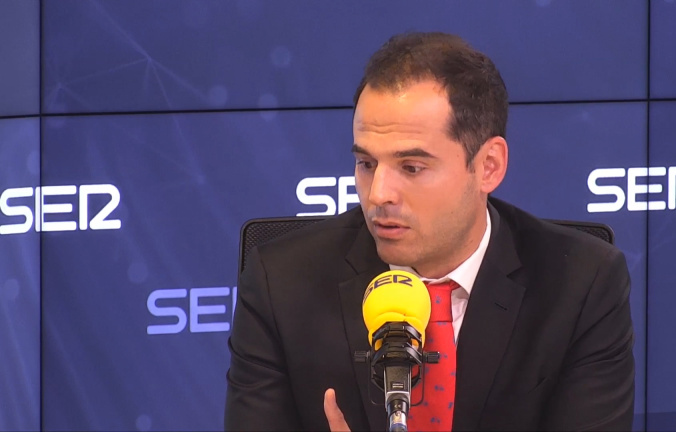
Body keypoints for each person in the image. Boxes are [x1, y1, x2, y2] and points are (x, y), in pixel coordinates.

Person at [225, 32, 634, 431]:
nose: (378, 194)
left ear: (488, 166)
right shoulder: (281, 284)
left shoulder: (580, 285)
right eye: (366, 164)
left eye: (411, 167)